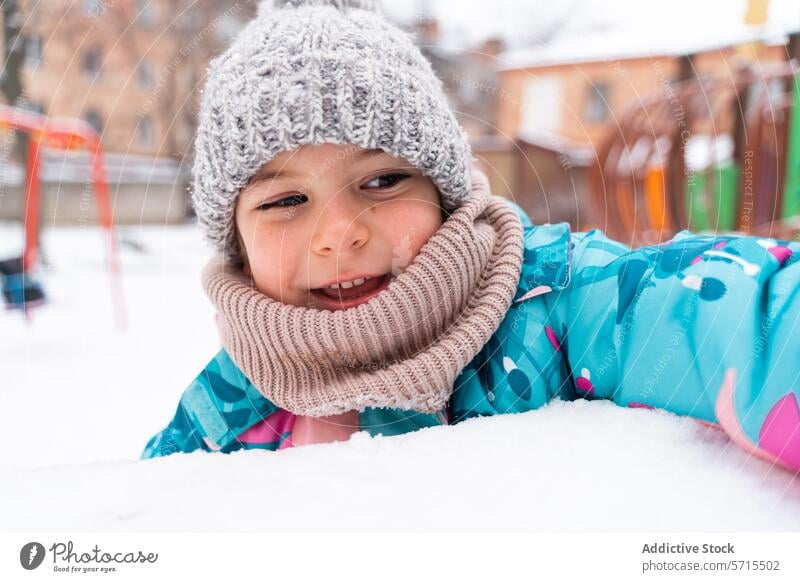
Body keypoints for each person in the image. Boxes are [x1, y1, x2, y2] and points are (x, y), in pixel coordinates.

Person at [142, 0, 800, 472]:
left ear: (445, 196)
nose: (339, 232)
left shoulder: (556, 304)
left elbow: (733, 317)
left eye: (381, 181)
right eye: (286, 199)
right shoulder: (226, 410)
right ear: (236, 243)